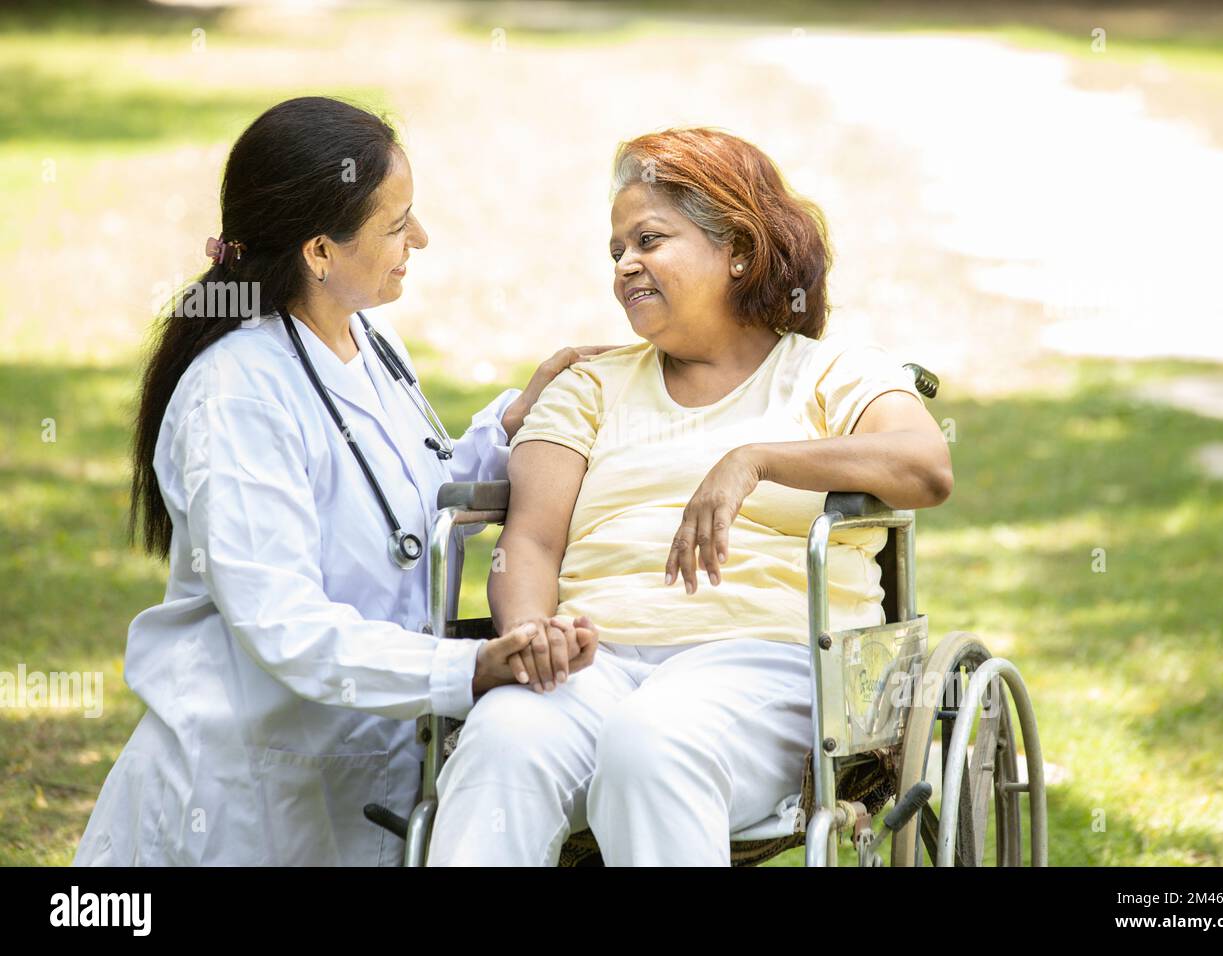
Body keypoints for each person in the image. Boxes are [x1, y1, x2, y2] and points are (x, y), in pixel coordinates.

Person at [73, 96, 603, 866]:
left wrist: (512, 426)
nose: (421, 239)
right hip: (242, 800)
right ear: (320, 251)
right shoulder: (238, 396)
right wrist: (467, 668)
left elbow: (399, 510)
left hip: (356, 776)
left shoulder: (369, 341)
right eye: (398, 224)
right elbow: (283, 623)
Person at [427, 127, 955, 866]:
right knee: (502, 741)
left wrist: (757, 461)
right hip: (593, 662)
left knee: (653, 742)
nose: (625, 265)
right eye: (616, 251)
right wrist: (531, 633)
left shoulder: (832, 372)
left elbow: (926, 466)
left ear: (736, 249)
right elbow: (531, 542)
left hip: (766, 665)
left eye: (649, 240)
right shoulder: (589, 386)